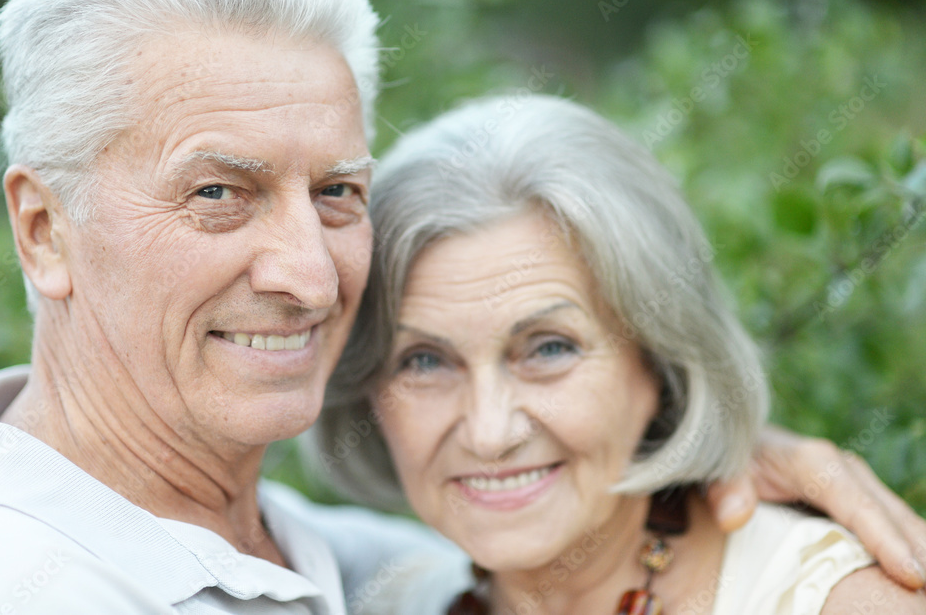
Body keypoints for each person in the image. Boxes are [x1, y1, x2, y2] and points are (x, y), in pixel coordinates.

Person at [0, 0, 923, 613]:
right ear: (45, 229)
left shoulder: (356, 567)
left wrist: (706, 452)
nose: (309, 276)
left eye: (335, 191)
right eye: (220, 192)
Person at [310, 94, 926, 614]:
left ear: (660, 362)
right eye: (424, 361)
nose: (490, 433)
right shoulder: (382, 596)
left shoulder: (841, 601)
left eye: (549, 349)